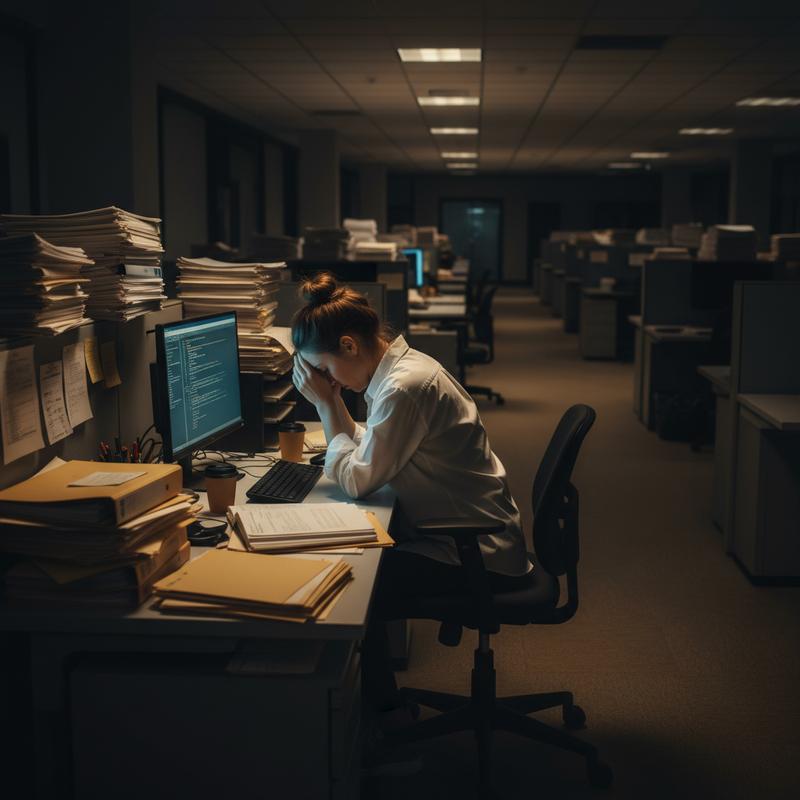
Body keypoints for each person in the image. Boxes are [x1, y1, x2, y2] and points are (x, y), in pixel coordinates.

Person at [291, 273, 534, 718]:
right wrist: (335, 413)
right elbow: (371, 450)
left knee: (350, 588)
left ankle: (383, 718)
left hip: (475, 551)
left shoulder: (405, 387)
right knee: (354, 568)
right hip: (461, 534)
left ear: (348, 345)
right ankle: (379, 712)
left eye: (324, 370)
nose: (329, 382)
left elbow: (359, 479)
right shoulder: (400, 372)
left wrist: (326, 406)